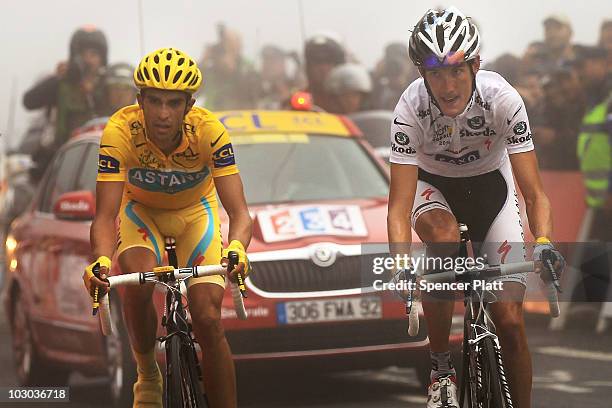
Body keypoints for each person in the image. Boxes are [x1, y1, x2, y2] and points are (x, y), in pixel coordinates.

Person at [386, 8, 564, 408]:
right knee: (443, 237)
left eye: (456, 72)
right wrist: (399, 263)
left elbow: (534, 192)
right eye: (435, 74)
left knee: (511, 322)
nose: (447, 86)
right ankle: (440, 369)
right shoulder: (410, 108)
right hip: (434, 189)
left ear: (475, 65)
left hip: (491, 190)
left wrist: (545, 242)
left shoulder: (502, 99)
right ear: (422, 75)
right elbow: (398, 207)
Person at [82, 47, 253, 408]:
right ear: (139, 100)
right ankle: (147, 374)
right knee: (138, 278)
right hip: (141, 212)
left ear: (189, 105)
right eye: (154, 101)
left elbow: (239, 213)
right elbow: (104, 215)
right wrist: (99, 261)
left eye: (173, 103)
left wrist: (237, 248)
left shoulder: (210, 131)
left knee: (207, 318)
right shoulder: (118, 133)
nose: (162, 114)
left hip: (196, 213)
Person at [22, 25, 108, 174]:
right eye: (82, 54)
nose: (88, 60)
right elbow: (29, 102)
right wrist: (57, 79)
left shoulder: (109, 86)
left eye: (93, 54)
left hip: (98, 159)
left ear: (102, 59)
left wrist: (92, 93)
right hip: (59, 160)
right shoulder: (60, 84)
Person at [198, 24, 259, 110]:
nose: (225, 49)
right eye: (223, 46)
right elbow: (194, 92)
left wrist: (233, 72)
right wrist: (202, 62)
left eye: (230, 44)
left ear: (239, 46)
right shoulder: (209, 71)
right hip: (212, 117)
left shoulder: (247, 67)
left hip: (244, 118)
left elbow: (253, 95)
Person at [303, 31, 347, 112]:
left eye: (328, 61)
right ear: (309, 67)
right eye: (317, 62)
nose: (322, 68)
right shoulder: (300, 99)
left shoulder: (350, 96)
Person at [371, 42, 419, 110]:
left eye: (402, 60)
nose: (395, 66)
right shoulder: (377, 90)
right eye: (391, 62)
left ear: (409, 63)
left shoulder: (418, 89)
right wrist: (375, 77)